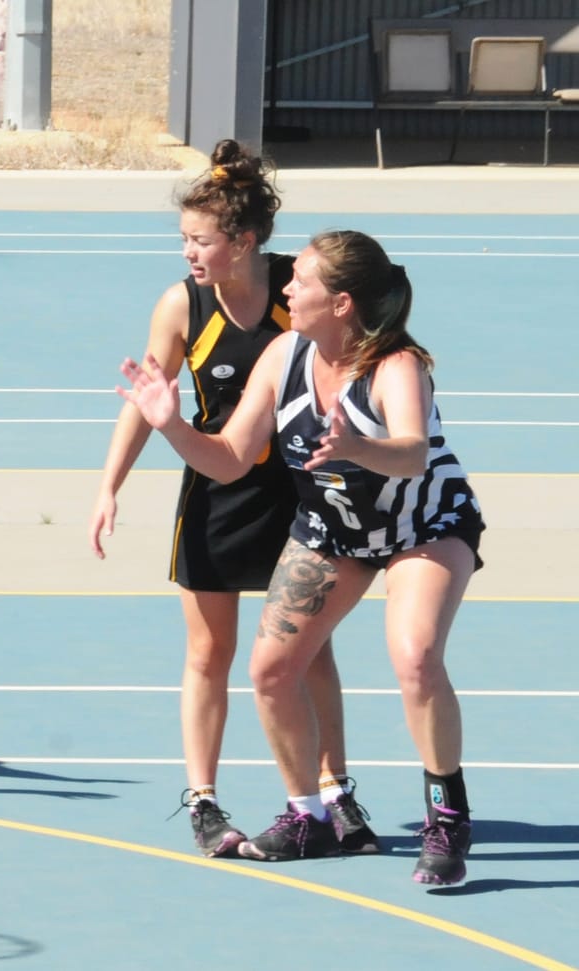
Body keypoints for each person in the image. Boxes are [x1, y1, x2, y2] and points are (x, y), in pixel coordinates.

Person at [118, 228, 482, 884]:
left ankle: (446, 816)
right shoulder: (285, 355)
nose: (287, 286)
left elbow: (411, 451)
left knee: (417, 656)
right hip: (336, 530)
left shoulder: (396, 365)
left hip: (422, 526)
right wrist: (170, 421)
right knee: (273, 669)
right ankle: (307, 815)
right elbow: (228, 460)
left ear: (340, 303)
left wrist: (354, 447)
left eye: (302, 281)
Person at [89, 140, 376, 859]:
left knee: (310, 650)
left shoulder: (295, 291)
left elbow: (356, 354)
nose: (188, 252)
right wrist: (108, 485)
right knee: (209, 651)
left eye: (199, 240)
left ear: (243, 241)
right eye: (184, 239)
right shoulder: (181, 304)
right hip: (216, 489)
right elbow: (148, 399)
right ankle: (205, 802)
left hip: (300, 492)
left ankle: (336, 792)